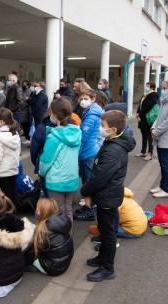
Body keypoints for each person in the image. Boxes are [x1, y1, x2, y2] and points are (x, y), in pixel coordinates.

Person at [81, 109, 136, 282]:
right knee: (106, 230)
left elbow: (99, 178)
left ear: (113, 130)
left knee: (108, 233)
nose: (99, 128)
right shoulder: (112, 141)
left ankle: (107, 268)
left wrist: (85, 191)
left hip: (107, 197)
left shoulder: (113, 150)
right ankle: (102, 259)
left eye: (102, 126)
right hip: (107, 195)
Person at [39, 97, 81, 221]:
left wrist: (41, 173)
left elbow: (46, 160)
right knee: (67, 210)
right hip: (72, 176)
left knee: (58, 213)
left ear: (55, 114)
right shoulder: (76, 131)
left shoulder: (54, 136)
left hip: (56, 179)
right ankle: (68, 239)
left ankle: (61, 239)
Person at [73, 89, 103, 221]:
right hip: (89, 150)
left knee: (88, 182)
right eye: (82, 98)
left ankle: (91, 209)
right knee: (88, 180)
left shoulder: (91, 116)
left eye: (86, 98)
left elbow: (83, 138)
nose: (83, 101)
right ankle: (89, 205)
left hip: (88, 152)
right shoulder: (91, 111)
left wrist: (75, 155)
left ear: (93, 99)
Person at [24, 198, 74, 275]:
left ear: (43, 212)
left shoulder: (44, 231)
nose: (36, 212)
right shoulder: (61, 221)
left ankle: (35, 267)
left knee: (27, 246)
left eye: (38, 210)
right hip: (64, 263)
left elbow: (33, 252)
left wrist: (23, 261)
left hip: (53, 268)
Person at [0, 108, 21, 206]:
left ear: (1, 122)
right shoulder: (14, 134)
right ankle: (14, 214)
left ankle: (9, 217)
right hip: (13, 169)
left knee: (6, 196)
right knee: (12, 194)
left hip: (2, 171)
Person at [135, 81, 158, 161]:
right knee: (143, 135)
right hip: (142, 118)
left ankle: (150, 153)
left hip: (147, 118)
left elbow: (148, 107)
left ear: (152, 87)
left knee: (149, 136)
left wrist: (140, 114)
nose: (146, 87)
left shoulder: (153, 95)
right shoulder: (145, 95)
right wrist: (137, 113)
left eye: (147, 86)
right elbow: (140, 105)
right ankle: (143, 151)